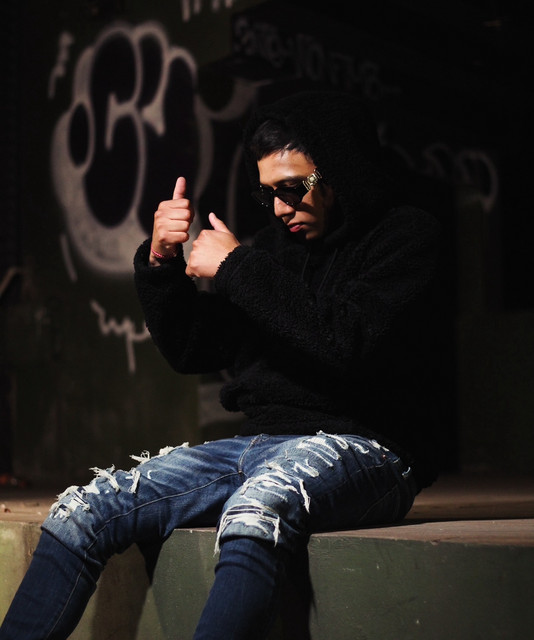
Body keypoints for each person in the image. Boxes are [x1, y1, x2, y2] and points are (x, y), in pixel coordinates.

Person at [0, 90, 443, 639]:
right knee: (86, 508)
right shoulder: (275, 251)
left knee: (258, 508)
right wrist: (161, 264)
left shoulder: (405, 237)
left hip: (369, 447)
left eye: (293, 189)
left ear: (338, 170)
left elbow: (347, 338)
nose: (280, 208)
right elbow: (195, 350)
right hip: (257, 445)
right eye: (269, 194)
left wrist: (236, 267)